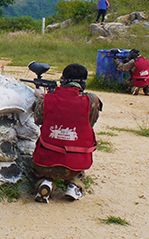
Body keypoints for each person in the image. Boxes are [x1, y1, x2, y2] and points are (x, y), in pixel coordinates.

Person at [31, 63, 103, 203]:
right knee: (77, 171)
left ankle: (45, 182)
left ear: (62, 79)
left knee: (38, 169)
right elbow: (90, 123)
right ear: (83, 82)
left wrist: (41, 97)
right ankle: (73, 185)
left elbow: (38, 120)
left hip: (45, 160)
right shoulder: (92, 100)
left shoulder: (47, 99)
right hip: (76, 163)